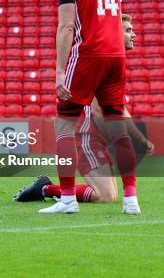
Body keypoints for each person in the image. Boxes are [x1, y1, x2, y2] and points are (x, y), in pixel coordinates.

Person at [42, 0, 139, 214]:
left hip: (88, 55)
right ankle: (131, 200)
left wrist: (60, 71)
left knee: (63, 124)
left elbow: (66, 25)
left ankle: (68, 199)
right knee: (117, 126)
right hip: (116, 57)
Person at [15, 14, 154, 204]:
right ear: (114, 33)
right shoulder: (102, 61)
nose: (134, 35)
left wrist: (139, 138)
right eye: (128, 30)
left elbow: (118, 108)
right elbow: (100, 110)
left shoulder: (115, 61)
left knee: (109, 195)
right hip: (86, 136)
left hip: (97, 138)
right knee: (105, 196)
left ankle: (48, 188)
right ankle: (47, 189)